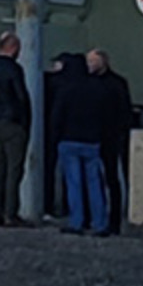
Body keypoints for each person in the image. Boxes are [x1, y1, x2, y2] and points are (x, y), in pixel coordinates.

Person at [52, 54, 112, 237]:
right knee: (95, 183)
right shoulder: (97, 89)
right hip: (92, 141)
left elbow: (57, 117)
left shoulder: (66, 90)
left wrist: (55, 137)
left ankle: (76, 221)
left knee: (74, 183)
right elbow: (105, 116)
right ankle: (100, 223)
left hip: (69, 139)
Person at [0, 32, 31, 227]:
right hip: (12, 122)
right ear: (13, 48)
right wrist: (24, 122)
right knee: (14, 170)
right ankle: (11, 212)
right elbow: (20, 97)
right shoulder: (14, 70)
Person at [89, 49, 134, 235]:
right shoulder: (114, 83)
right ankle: (102, 218)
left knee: (111, 178)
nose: (90, 65)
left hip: (109, 136)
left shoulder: (113, 84)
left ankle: (113, 220)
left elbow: (124, 111)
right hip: (101, 135)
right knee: (104, 178)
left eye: (93, 61)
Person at [44, 53, 86, 217]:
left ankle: (47, 204)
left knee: (49, 168)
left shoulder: (52, 83)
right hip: (75, 132)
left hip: (52, 130)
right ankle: (72, 207)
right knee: (75, 175)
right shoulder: (83, 84)